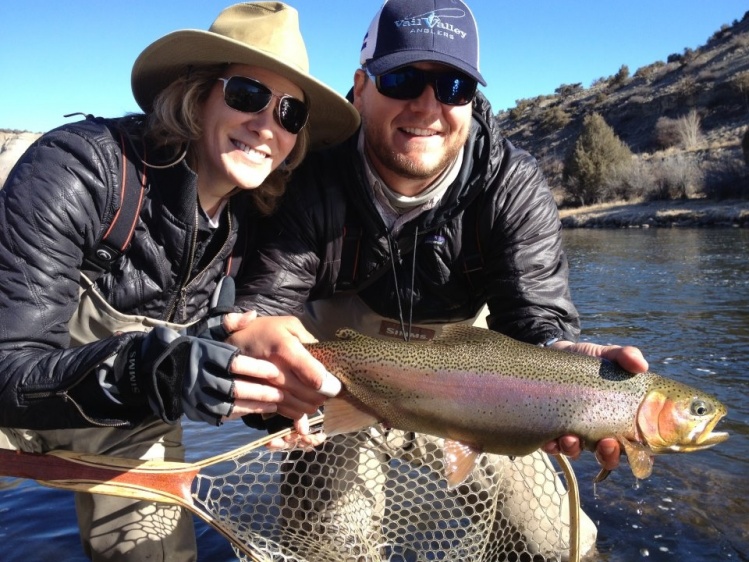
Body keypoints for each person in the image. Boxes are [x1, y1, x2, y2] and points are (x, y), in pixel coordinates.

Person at [231, 0, 648, 559]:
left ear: (472, 102)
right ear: (360, 87)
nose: (427, 106)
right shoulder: (308, 179)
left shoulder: (511, 186)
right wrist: (278, 396)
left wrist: (560, 365)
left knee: (558, 546)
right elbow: (261, 311)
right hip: (339, 379)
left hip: (470, 388)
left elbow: (536, 321)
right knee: (330, 547)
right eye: (403, 79)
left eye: (453, 86)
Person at [0, 3, 359, 561]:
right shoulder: (79, 170)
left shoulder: (253, 223)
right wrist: (151, 372)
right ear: (195, 93)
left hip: (129, 422)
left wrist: (275, 399)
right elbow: (9, 372)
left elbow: (221, 344)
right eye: (246, 94)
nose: (267, 124)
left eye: (290, 113)